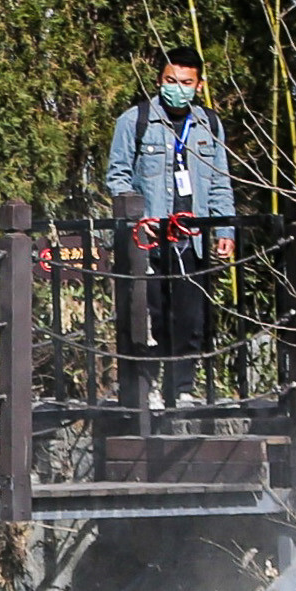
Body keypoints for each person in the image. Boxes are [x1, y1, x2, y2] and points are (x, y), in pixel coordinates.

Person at [105, 49, 234, 406]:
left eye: (186, 83)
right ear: (159, 80)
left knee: (190, 317)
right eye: (170, 81)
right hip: (148, 237)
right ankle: (149, 389)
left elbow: (221, 181)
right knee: (151, 314)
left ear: (199, 85)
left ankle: (183, 389)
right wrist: (136, 216)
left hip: (191, 237)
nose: (177, 88)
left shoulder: (209, 123)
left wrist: (225, 231)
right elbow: (117, 176)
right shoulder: (135, 121)